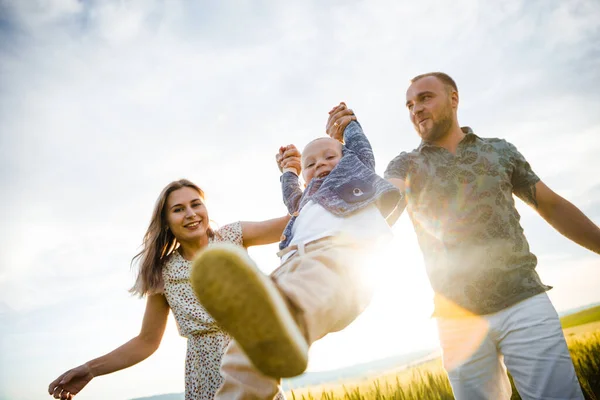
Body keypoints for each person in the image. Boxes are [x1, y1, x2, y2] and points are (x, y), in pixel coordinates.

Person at [327, 74, 600, 399]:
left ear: (453, 98)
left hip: (524, 301)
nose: (416, 109)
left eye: (425, 98)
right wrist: (347, 149)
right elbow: (380, 208)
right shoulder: (407, 163)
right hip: (457, 318)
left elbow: (552, 206)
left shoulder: (500, 151)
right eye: (410, 105)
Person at [190, 117, 401, 399]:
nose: (320, 165)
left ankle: (289, 324)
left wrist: (349, 125)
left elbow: (361, 151)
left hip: (339, 257)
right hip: (289, 265)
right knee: (248, 338)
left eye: (329, 156)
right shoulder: (304, 201)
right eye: (311, 164)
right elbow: (291, 194)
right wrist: (289, 170)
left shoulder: (351, 178)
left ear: (348, 160)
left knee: (296, 294)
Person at [48, 179, 290, 400]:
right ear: (166, 221)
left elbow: (297, 221)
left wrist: (298, 172)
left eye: (196, 204)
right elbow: (146, 342)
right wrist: (90, 370)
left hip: (251, 366)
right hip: (205, 380)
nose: (191, 214)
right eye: (178, 209)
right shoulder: (163, 273)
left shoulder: (233, 237)